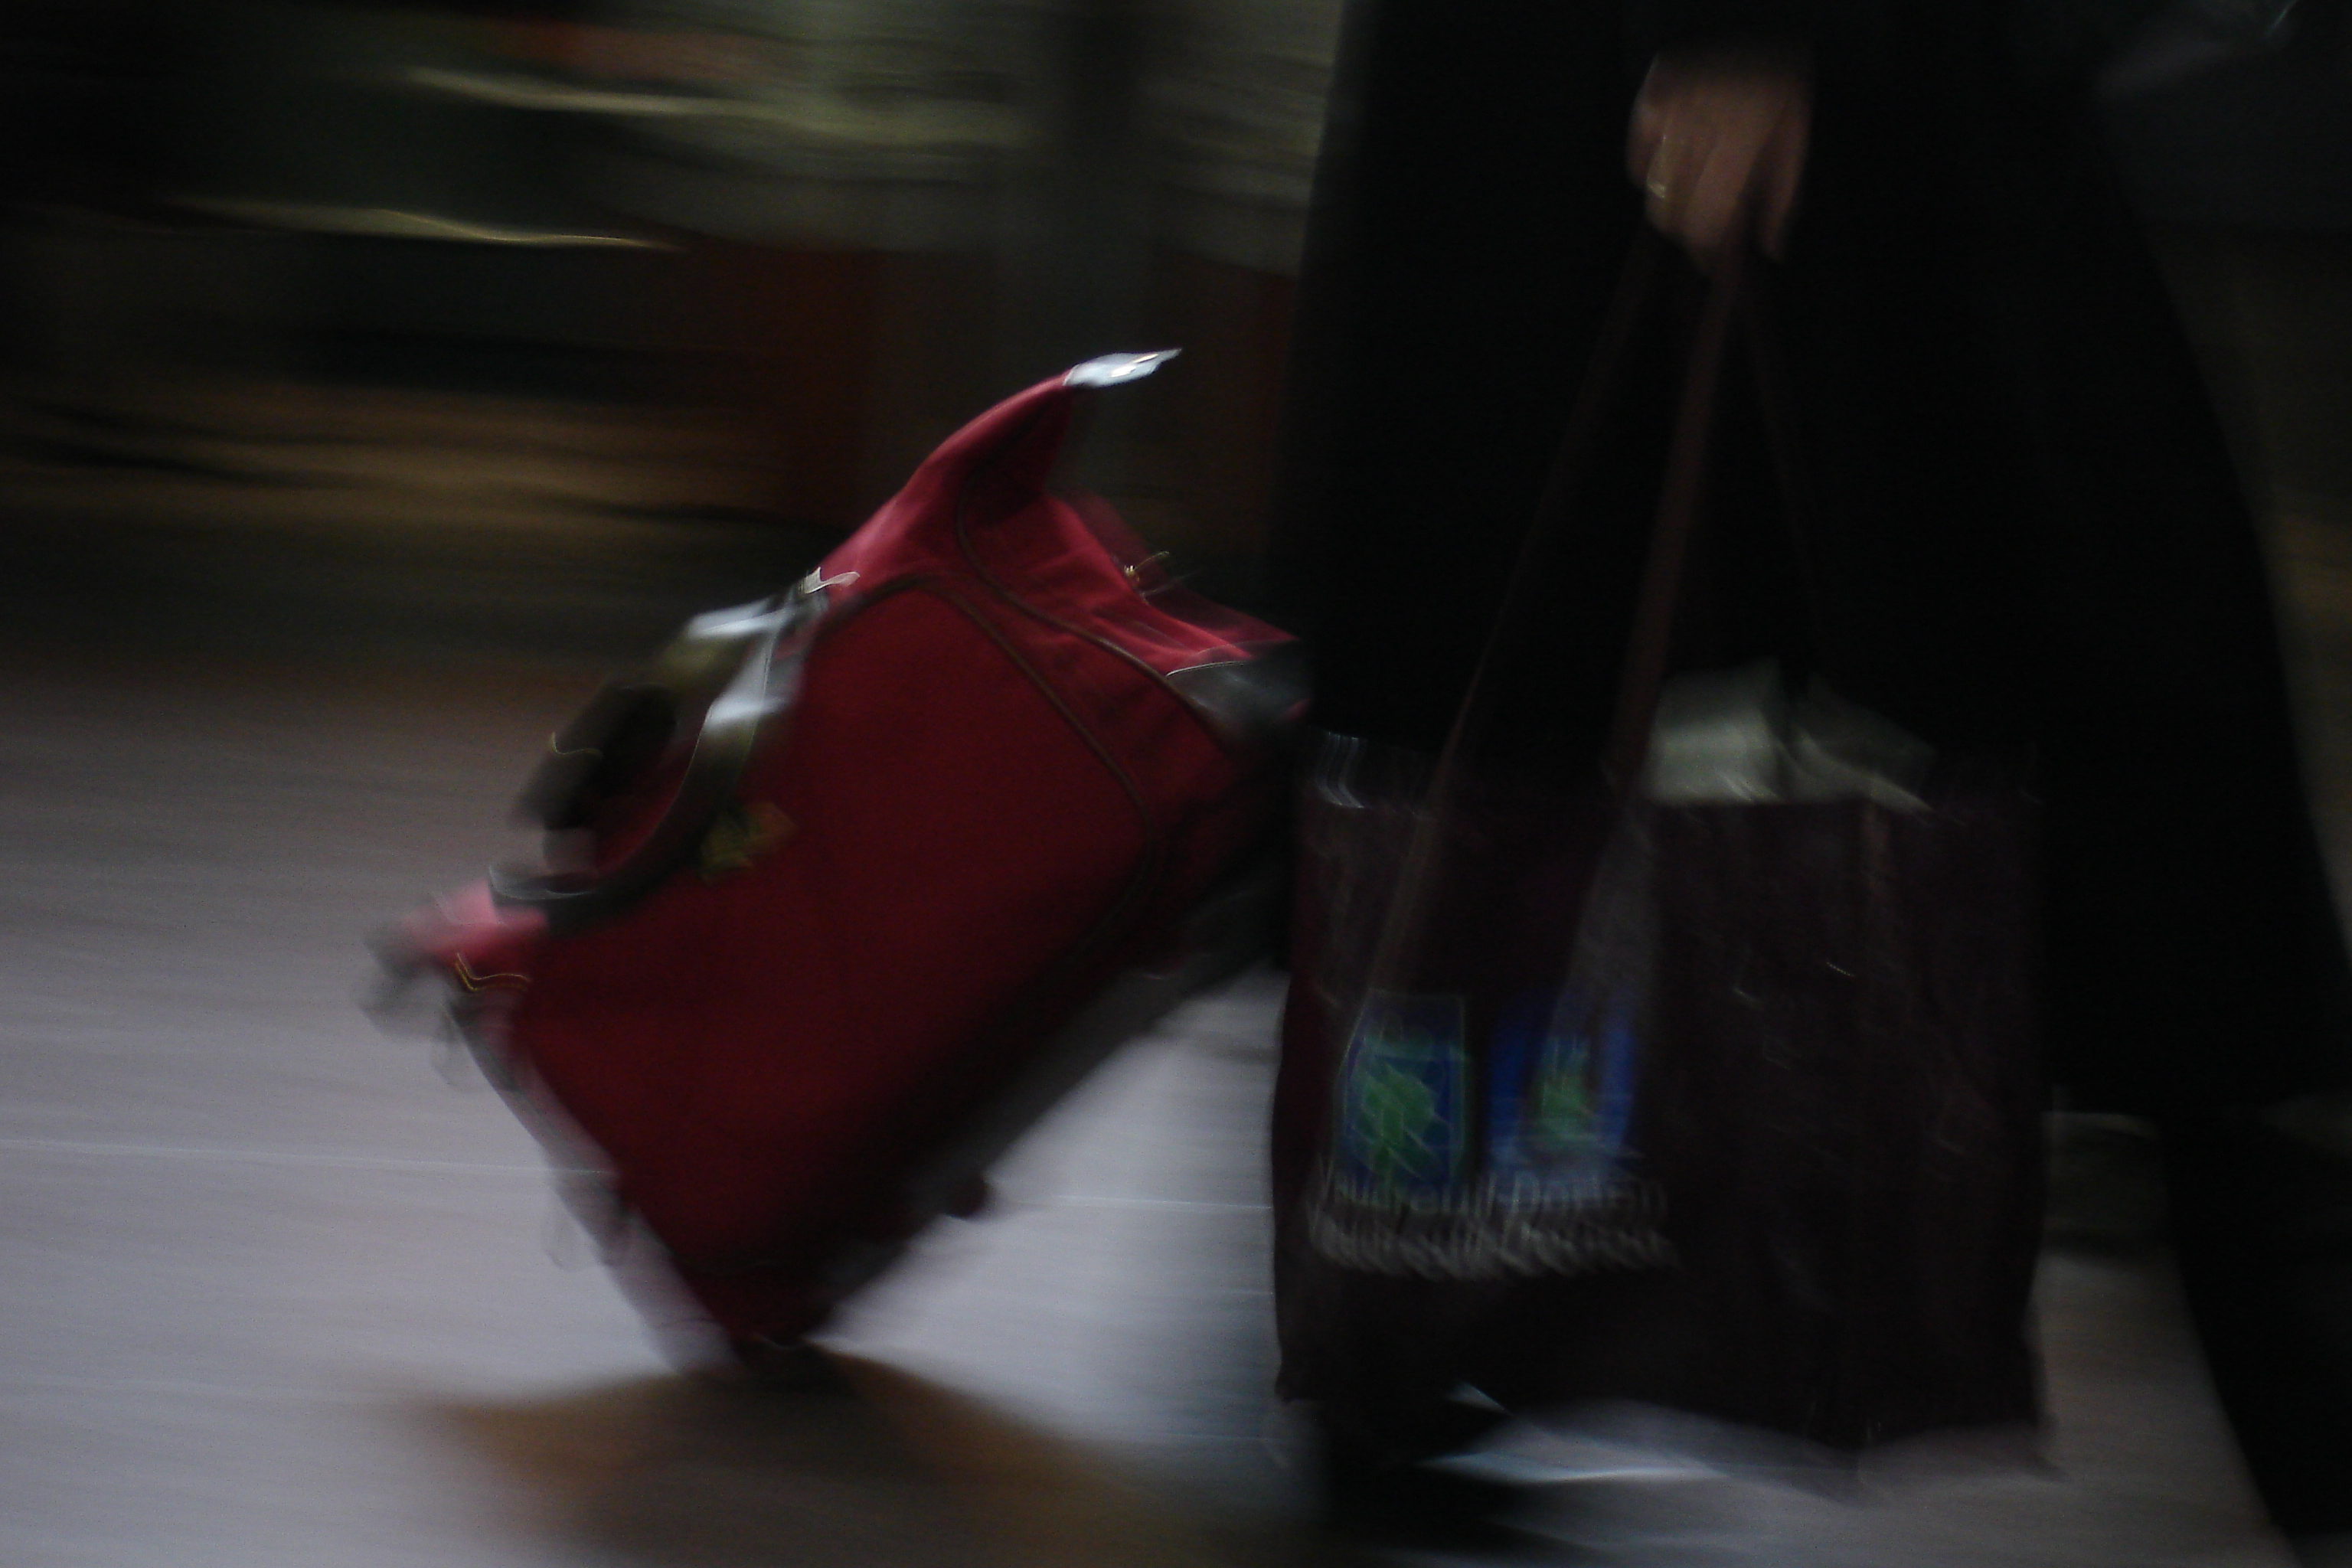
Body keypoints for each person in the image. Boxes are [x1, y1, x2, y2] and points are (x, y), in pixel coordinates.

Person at [1264, 0, 2352, 1553]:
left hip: (1731, 74)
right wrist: (1736, 27)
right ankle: (1404, 1313)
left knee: (1517, 675)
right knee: (2111, 675)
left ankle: (1404, 1323)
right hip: (1743, 72)